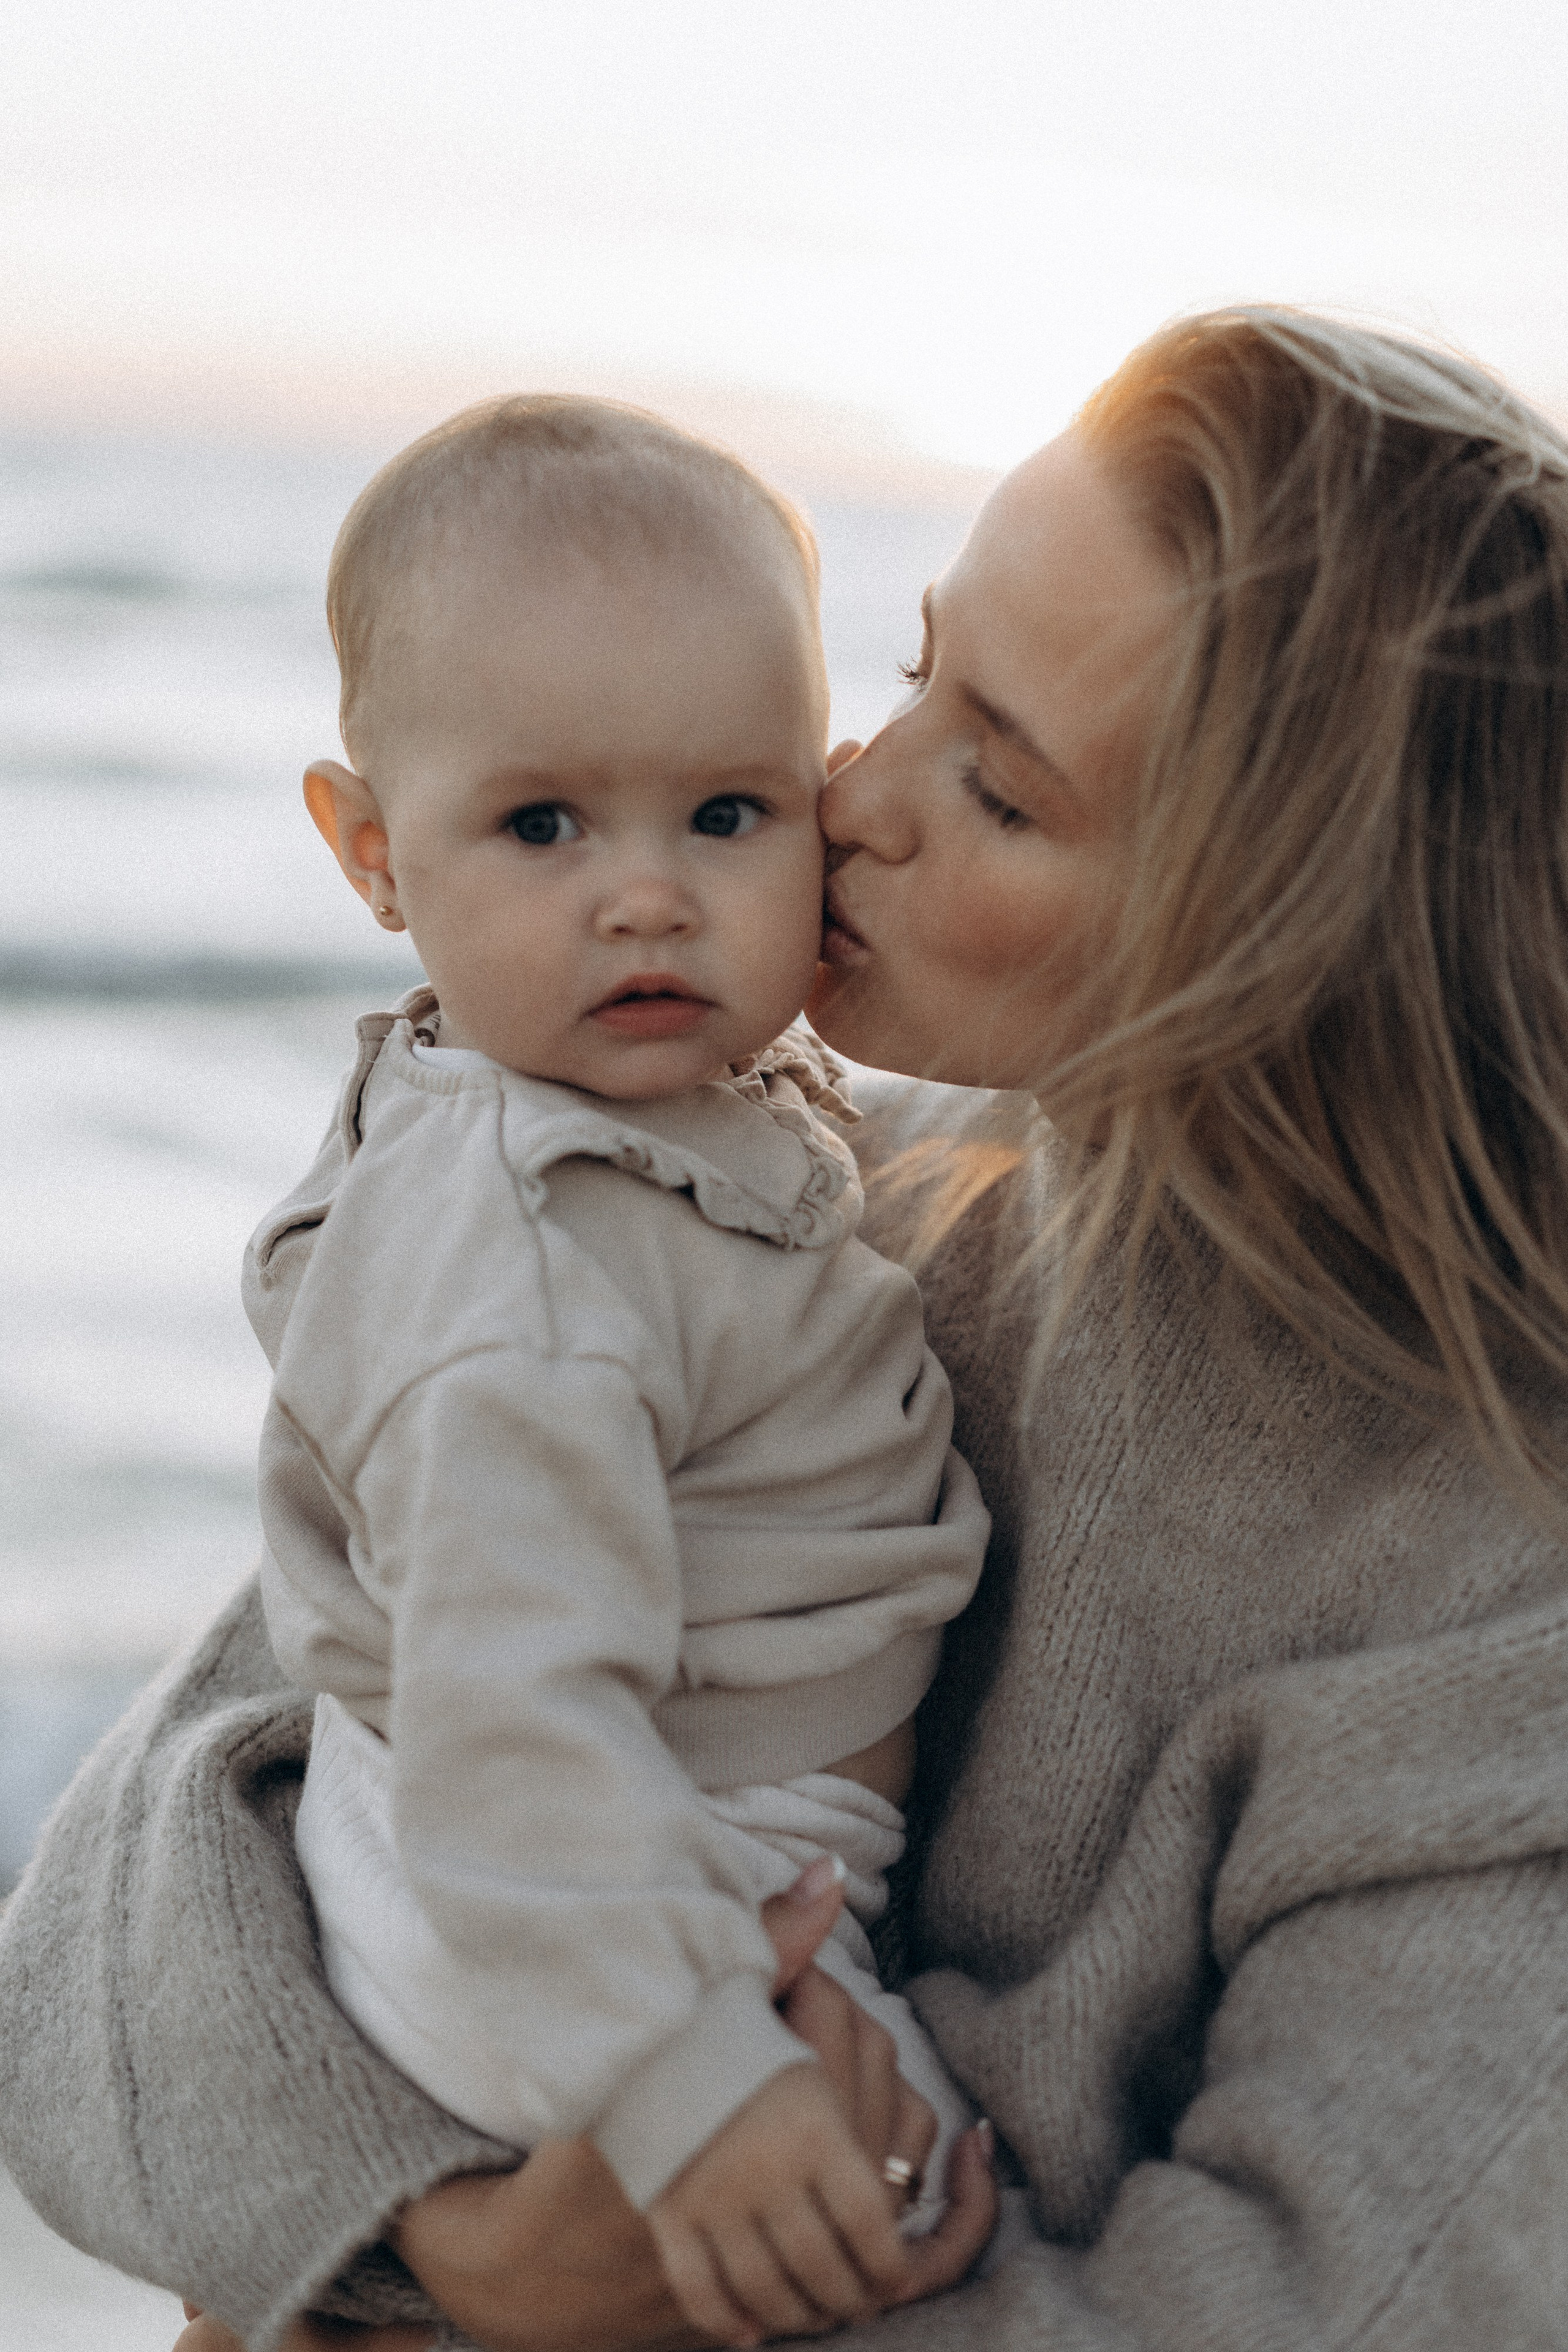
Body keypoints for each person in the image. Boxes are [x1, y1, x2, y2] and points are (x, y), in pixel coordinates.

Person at [5, 303, 1568, 2352]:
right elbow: (138, 1879)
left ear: (1286, 943)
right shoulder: (791, 1187)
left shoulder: (1495, 1620)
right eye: (918, 671)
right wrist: (450, 2245)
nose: (851, 792)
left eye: (997, 788)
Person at [239, 393, 989, 2348]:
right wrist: (687, 2081)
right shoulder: (524, 1259)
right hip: (594, 1892)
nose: (647, 892)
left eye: (726, 815)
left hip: (625, 1862)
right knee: (890, 2221)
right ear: (373, 851)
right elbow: (512, 1718)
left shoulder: (671, 1118)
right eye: (544, 823)